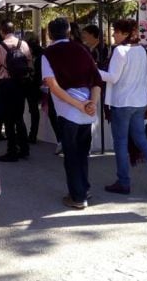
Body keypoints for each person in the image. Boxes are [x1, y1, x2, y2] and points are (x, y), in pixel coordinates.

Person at [99, 19, 147, 197]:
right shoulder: (142, 50)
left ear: (125, 34)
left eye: (116, 31)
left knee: (121, 143)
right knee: (142, 141)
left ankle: (123, 182)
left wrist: (95, 70)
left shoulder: (120, 51)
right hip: (140, 101)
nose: (114, 34)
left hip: (122, 102)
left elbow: (113, 77)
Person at [42, 18, 102, 209]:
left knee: (71, 155)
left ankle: (77, 196)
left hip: (69, 110)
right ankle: (84, 188)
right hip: (87, 110)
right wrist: (92, 103)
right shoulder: (82, 49)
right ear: (69, 32)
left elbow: (52, 85)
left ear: (50, 34)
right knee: (82, 153)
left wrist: (78, 104)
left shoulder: (48, 53)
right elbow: (97, 79)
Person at [0, 21, 32, 162]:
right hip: (21, 84)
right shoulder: (24, 45)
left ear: (2, 31)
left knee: (8, 119)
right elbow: (29, 64)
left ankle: (12, 151)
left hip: (6, 84)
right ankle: (24, 148)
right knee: (19, 117)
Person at [24, 33, 44, 144]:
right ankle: (32, 134)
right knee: (33, 111)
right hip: (36, 84)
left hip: (33, 84)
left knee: (33, 110)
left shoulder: (34, 54)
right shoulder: (40, 53)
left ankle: (32, 134)